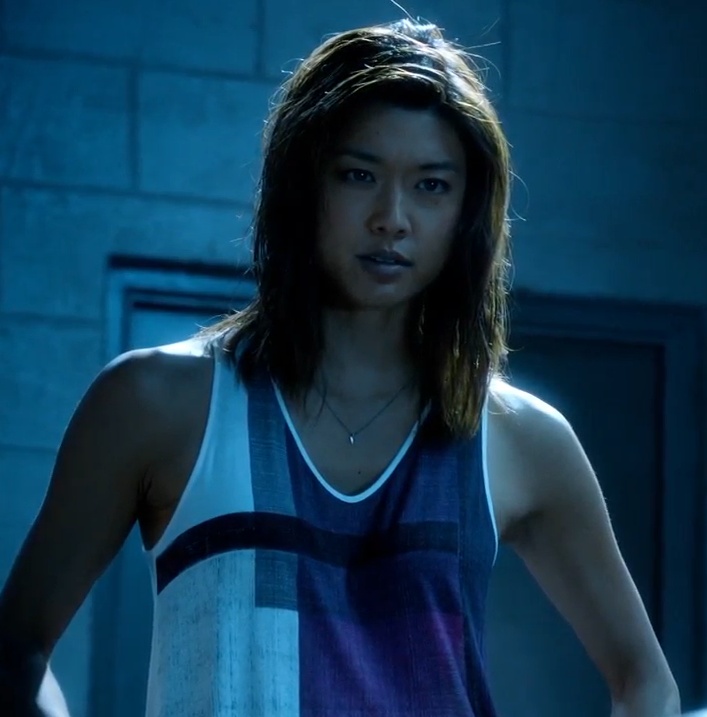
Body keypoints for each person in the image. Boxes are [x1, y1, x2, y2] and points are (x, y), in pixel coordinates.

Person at [0, 17, 681, 717]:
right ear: (304, 186)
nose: (391, 217)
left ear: (466, 211)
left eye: (431, 185)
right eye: (359, 175)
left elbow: (646, 682)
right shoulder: (155, 401)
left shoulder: (519, 437)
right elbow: (14, 650)